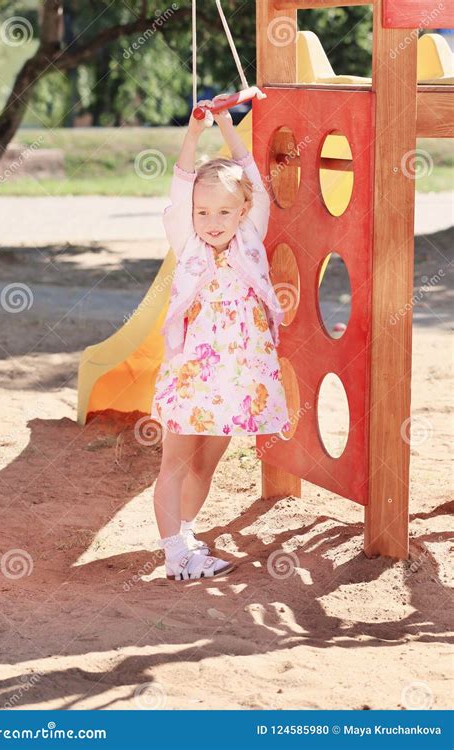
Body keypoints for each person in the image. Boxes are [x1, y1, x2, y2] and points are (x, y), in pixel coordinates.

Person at [150, 97, 290, 581]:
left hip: (238, 378)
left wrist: (229, 128)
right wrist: (193, 133)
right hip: (192, 375)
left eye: (224, 212)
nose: (212, 221)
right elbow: (181, 185)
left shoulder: (250, 239)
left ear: (243, 210)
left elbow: (254, 179)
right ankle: (174, 553)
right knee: (174, 462)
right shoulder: (189, 244)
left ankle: (186, 534)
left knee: (206, 465)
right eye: (203, 212)